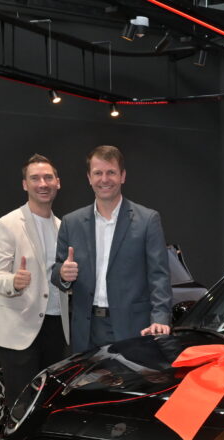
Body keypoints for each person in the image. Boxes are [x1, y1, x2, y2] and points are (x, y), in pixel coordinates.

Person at [51, 145, 171, 353]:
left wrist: (160, 317)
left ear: (122, 176)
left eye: (111, 172)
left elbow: (159, 276)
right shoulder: (71, 222)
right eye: (98, 173)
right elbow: (57, 271)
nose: (104, 179)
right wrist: (63, 274)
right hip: (86, 330)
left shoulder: (147, 220)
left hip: (132, 327)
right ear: (89, 178)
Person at [0, 154, 70, 408]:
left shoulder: (64, 227)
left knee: (49, 403)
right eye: (35, 178)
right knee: (21, 405)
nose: (42, 183)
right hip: (19, 327)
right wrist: (14, 281)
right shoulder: (7, 224)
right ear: (25, 184)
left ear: (58, 182)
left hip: (56, 328)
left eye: (48, 177)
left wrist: (68, 278)